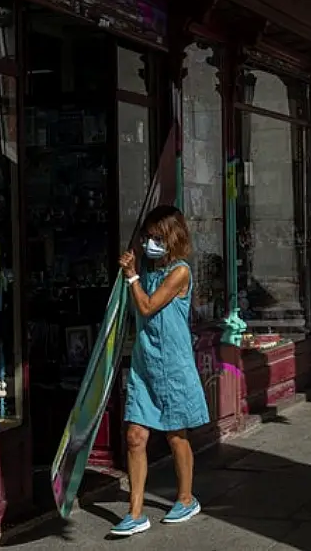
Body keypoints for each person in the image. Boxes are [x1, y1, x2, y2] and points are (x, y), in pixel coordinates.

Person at [112, 205, 209, 537]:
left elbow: (148, 306)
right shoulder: (149, 272)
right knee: (135, 437)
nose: (151, 242)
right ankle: (135, 512)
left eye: (157, 237)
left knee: (175, 435)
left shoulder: (179, 273)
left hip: (174, 366)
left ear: (172, 238)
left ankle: (186, 498)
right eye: (147, 237)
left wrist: (131, 276)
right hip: (145, 365)